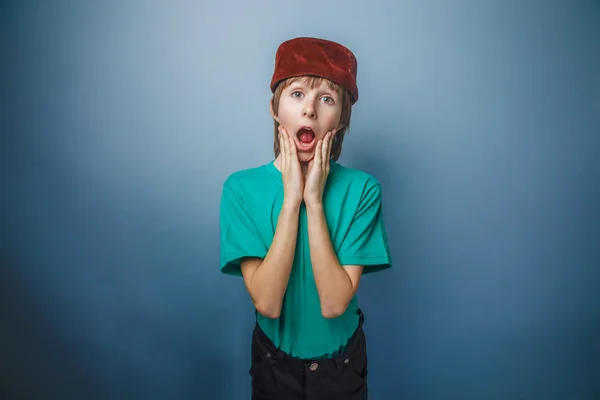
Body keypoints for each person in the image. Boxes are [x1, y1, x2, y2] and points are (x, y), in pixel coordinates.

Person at [219, 37, 392, 400]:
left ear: (341, 117)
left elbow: (333, 304)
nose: (309, 109)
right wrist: (290, 200)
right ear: (274, 107)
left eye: (326, 98)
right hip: (273, 365)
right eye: (297, 94)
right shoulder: (241, 189)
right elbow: (266, 302)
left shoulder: (362, 190)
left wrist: (313, 201)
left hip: (341, 367)